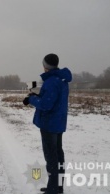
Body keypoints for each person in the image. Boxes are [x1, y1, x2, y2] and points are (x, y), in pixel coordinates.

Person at [23, 53, 72, 194]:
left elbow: (46, 104)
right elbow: (52, 99)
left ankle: (52, 190)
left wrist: (30, 99)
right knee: (58, 154)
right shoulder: (62, 80)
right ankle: (58, 186)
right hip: (58, 123)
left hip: (49, 124)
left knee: (51, 157)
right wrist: (38, 94)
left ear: (45, 66)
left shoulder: (51, 81)